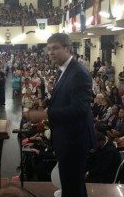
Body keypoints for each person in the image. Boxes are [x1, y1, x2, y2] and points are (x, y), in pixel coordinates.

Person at [29, 33, 96, 197]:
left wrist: (45, 114)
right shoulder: (63, 70)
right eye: (49, 49)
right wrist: (47, 104)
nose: (51, 52)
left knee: (72, 185)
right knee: (72, 184)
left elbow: (79, 108)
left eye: (55, 48)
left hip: (74, 139)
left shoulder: (78, 72)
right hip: (66, 136)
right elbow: (65, 99)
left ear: (67, 48)